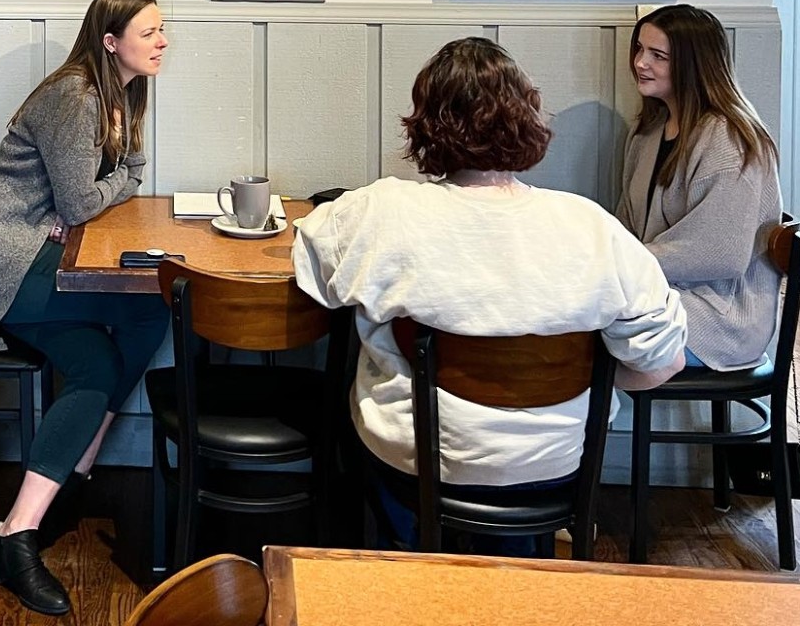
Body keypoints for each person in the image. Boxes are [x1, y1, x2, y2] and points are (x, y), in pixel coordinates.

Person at [291, 36, 687, 554]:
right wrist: (579, 375)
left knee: (355, 403)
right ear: (528, 117)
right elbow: (662, 362)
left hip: (417, 465)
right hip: (557, 467)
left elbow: (310, 271)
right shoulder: (592, 226)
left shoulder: (378, 211)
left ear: (424, 123)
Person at [0, 0, 169, 616]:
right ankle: (48, 499)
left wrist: (112, 186)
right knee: (149, 307)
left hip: (39, 252)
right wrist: (117, 183)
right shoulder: (75, 96)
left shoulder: (121, 93)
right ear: (110, 41)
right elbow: (86, 200)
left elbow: (122, 177)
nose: (162, 42)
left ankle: (30, 514)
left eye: (161, 30)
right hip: (1, 263)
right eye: (149, 32)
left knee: (112, 350)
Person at [615, 5, 784, 371]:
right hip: (660, 296)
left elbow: (721, 254)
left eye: (657, 56)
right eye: (640, 50)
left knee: (587, 340)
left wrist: (619, 264)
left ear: (693, 65)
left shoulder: (730, 139)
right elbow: (624, 226)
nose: (640, 63)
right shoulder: (646, 132)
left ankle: (589, 427)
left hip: (719, 319)